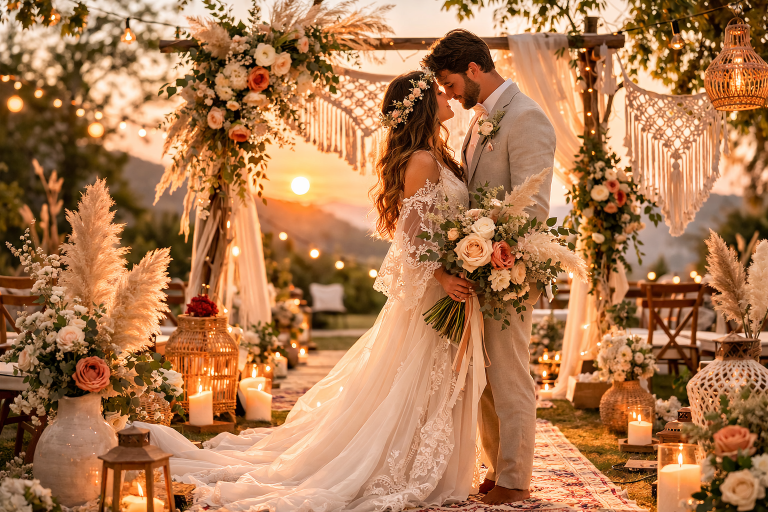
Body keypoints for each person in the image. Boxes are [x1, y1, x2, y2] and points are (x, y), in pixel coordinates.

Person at [136, 69, 485, 512]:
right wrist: (443, 277)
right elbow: (412, 240)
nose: (446, 95)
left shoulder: (439, 155)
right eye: (437, 91)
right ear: (421, 105)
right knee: (416, 384)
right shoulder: (422, 161)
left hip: (449, 291)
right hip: (438, 293)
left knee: (430, 384)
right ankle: (400, 464)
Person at [423, 28, 556, 506]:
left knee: (509, 376)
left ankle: (516, 480)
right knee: (482, 378)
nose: (450, 94)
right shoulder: (481, 120)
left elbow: (532, 207)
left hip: (509, 272)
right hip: (479, 267)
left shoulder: (526, 117)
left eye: (451, 84)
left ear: (474, 69)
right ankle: (497, 468)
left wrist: (489, 251)